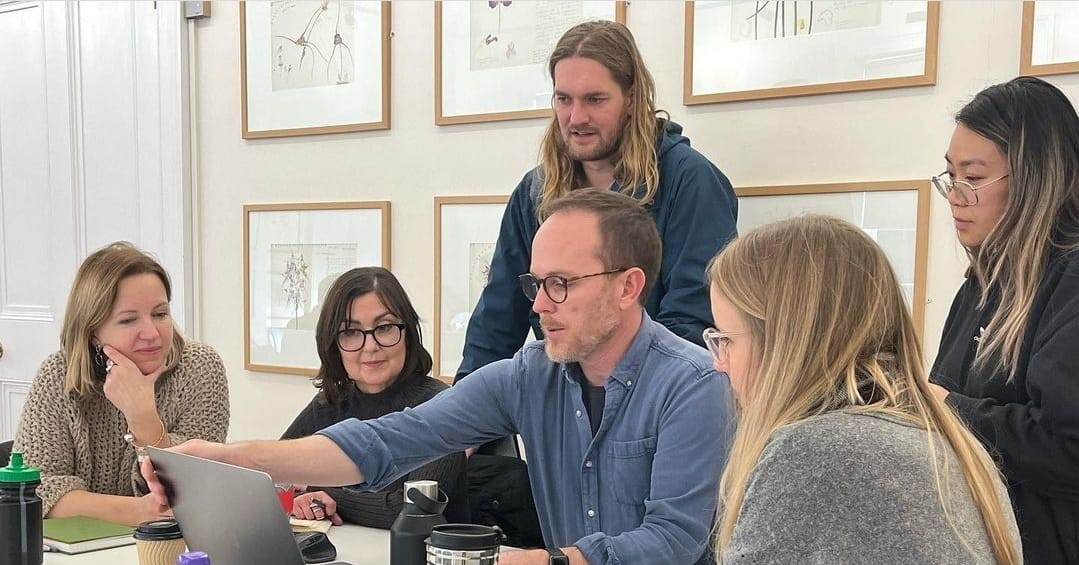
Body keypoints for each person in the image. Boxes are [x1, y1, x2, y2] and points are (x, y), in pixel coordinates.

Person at [144, 189, 735, 565]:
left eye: (560, 284)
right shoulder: (530, 374)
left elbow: (672, 540)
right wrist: (230, 459)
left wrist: (544, 561)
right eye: (535, 284)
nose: (538, 304)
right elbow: (388, 440)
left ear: (628, 286)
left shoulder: (694, 385)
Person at [707, 215, 1022, 564]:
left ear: (786, 344)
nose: (719, 363)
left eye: (725, 340)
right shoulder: (952, 444)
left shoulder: (813, 452)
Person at [456, 20, 737, 382]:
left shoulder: (691, 181)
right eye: (564, 99)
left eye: (594, 99)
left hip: (659, 398)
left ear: (631, 98)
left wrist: (624, 398)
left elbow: (693, 323)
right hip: (565, 399)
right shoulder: (533, 192)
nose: (576, 118)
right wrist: (464, 405)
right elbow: (495, 326)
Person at [928, 76, 1079, 565]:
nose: (955, 195)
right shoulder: (981, 284)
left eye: (973, 179)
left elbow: (1068, 450)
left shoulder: (1070, 282)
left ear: (1036, 180)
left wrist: (948, 408)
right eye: (950, 175)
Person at [13, 241, 229, 526]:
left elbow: (196, 486)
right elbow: (35, 490)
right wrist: (139, 511)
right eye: (128, 320)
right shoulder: (57, 376)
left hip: (171, 543)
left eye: (160, 314)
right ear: (93, 331)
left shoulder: (200, 367)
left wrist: (143, 418)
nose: (151, 333)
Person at [280, 266, 468, 528]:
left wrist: (323, 492)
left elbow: (410, 511)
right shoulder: (329, 403)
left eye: (385, 327)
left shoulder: (441, 407)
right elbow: (276, 478)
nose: (370, 346)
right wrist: (302, 499)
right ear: (333, 345)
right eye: (350, 332)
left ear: (407, 333)